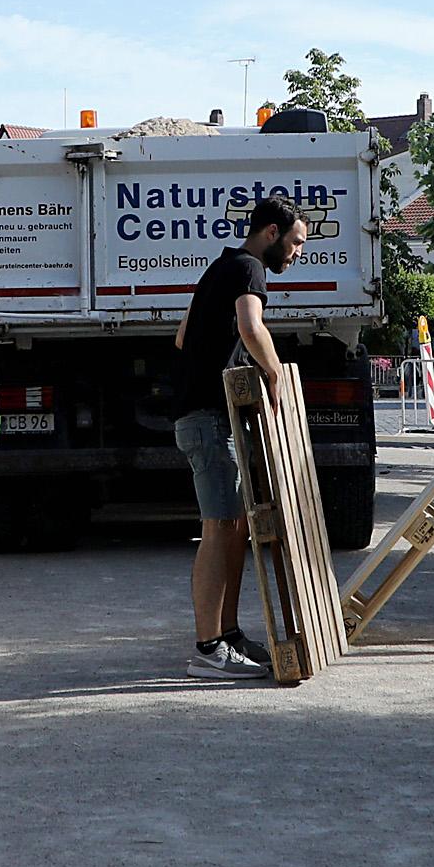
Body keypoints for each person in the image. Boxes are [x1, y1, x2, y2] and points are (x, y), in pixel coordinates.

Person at [170, 198, 302, 678]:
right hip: (207, 418)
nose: (297, 253)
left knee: (235, 527)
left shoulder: (221, 266)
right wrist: (274, 377)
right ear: (272, 232)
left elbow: (183, 336)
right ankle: (208, 649)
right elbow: (251, 326)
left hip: (207, 415)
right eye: (296, 242)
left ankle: (227, 634)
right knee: (220, 526)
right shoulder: (249, 268)